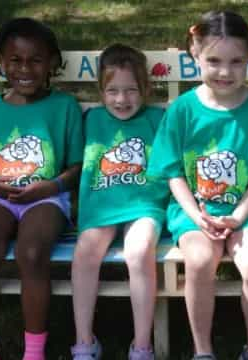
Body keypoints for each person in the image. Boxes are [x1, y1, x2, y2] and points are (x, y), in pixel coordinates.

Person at [147, 10, 248, 360]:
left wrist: (236, 218)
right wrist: (198, 215)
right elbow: (173, 172)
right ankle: (203, 350)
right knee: (200, 258)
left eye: (236, 61)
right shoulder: (183, 110)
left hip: (247, 211)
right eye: (214, 60)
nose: (225, 72)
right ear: (195, 56)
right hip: (193, 210)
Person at [0, 18, 84, 360]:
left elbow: (77, 166)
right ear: (1, 62)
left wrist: (52, 186)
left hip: (47, 198)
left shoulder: (64, 108)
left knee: (32, 253)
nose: (25, 69)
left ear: (51, 64)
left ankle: (34, 352)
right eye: (15, 60)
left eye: (36, 60)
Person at [71, 43, 168, 360]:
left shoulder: (157, 119)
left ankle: (141, 345)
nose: (121, 99)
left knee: (139, 250)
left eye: (131, 90)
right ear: (100, 90)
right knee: (85, 252)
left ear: (146, 89)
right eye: (112, 90)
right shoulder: (91, 120)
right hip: (101, 207)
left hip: (144, 205)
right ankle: (85, 342)